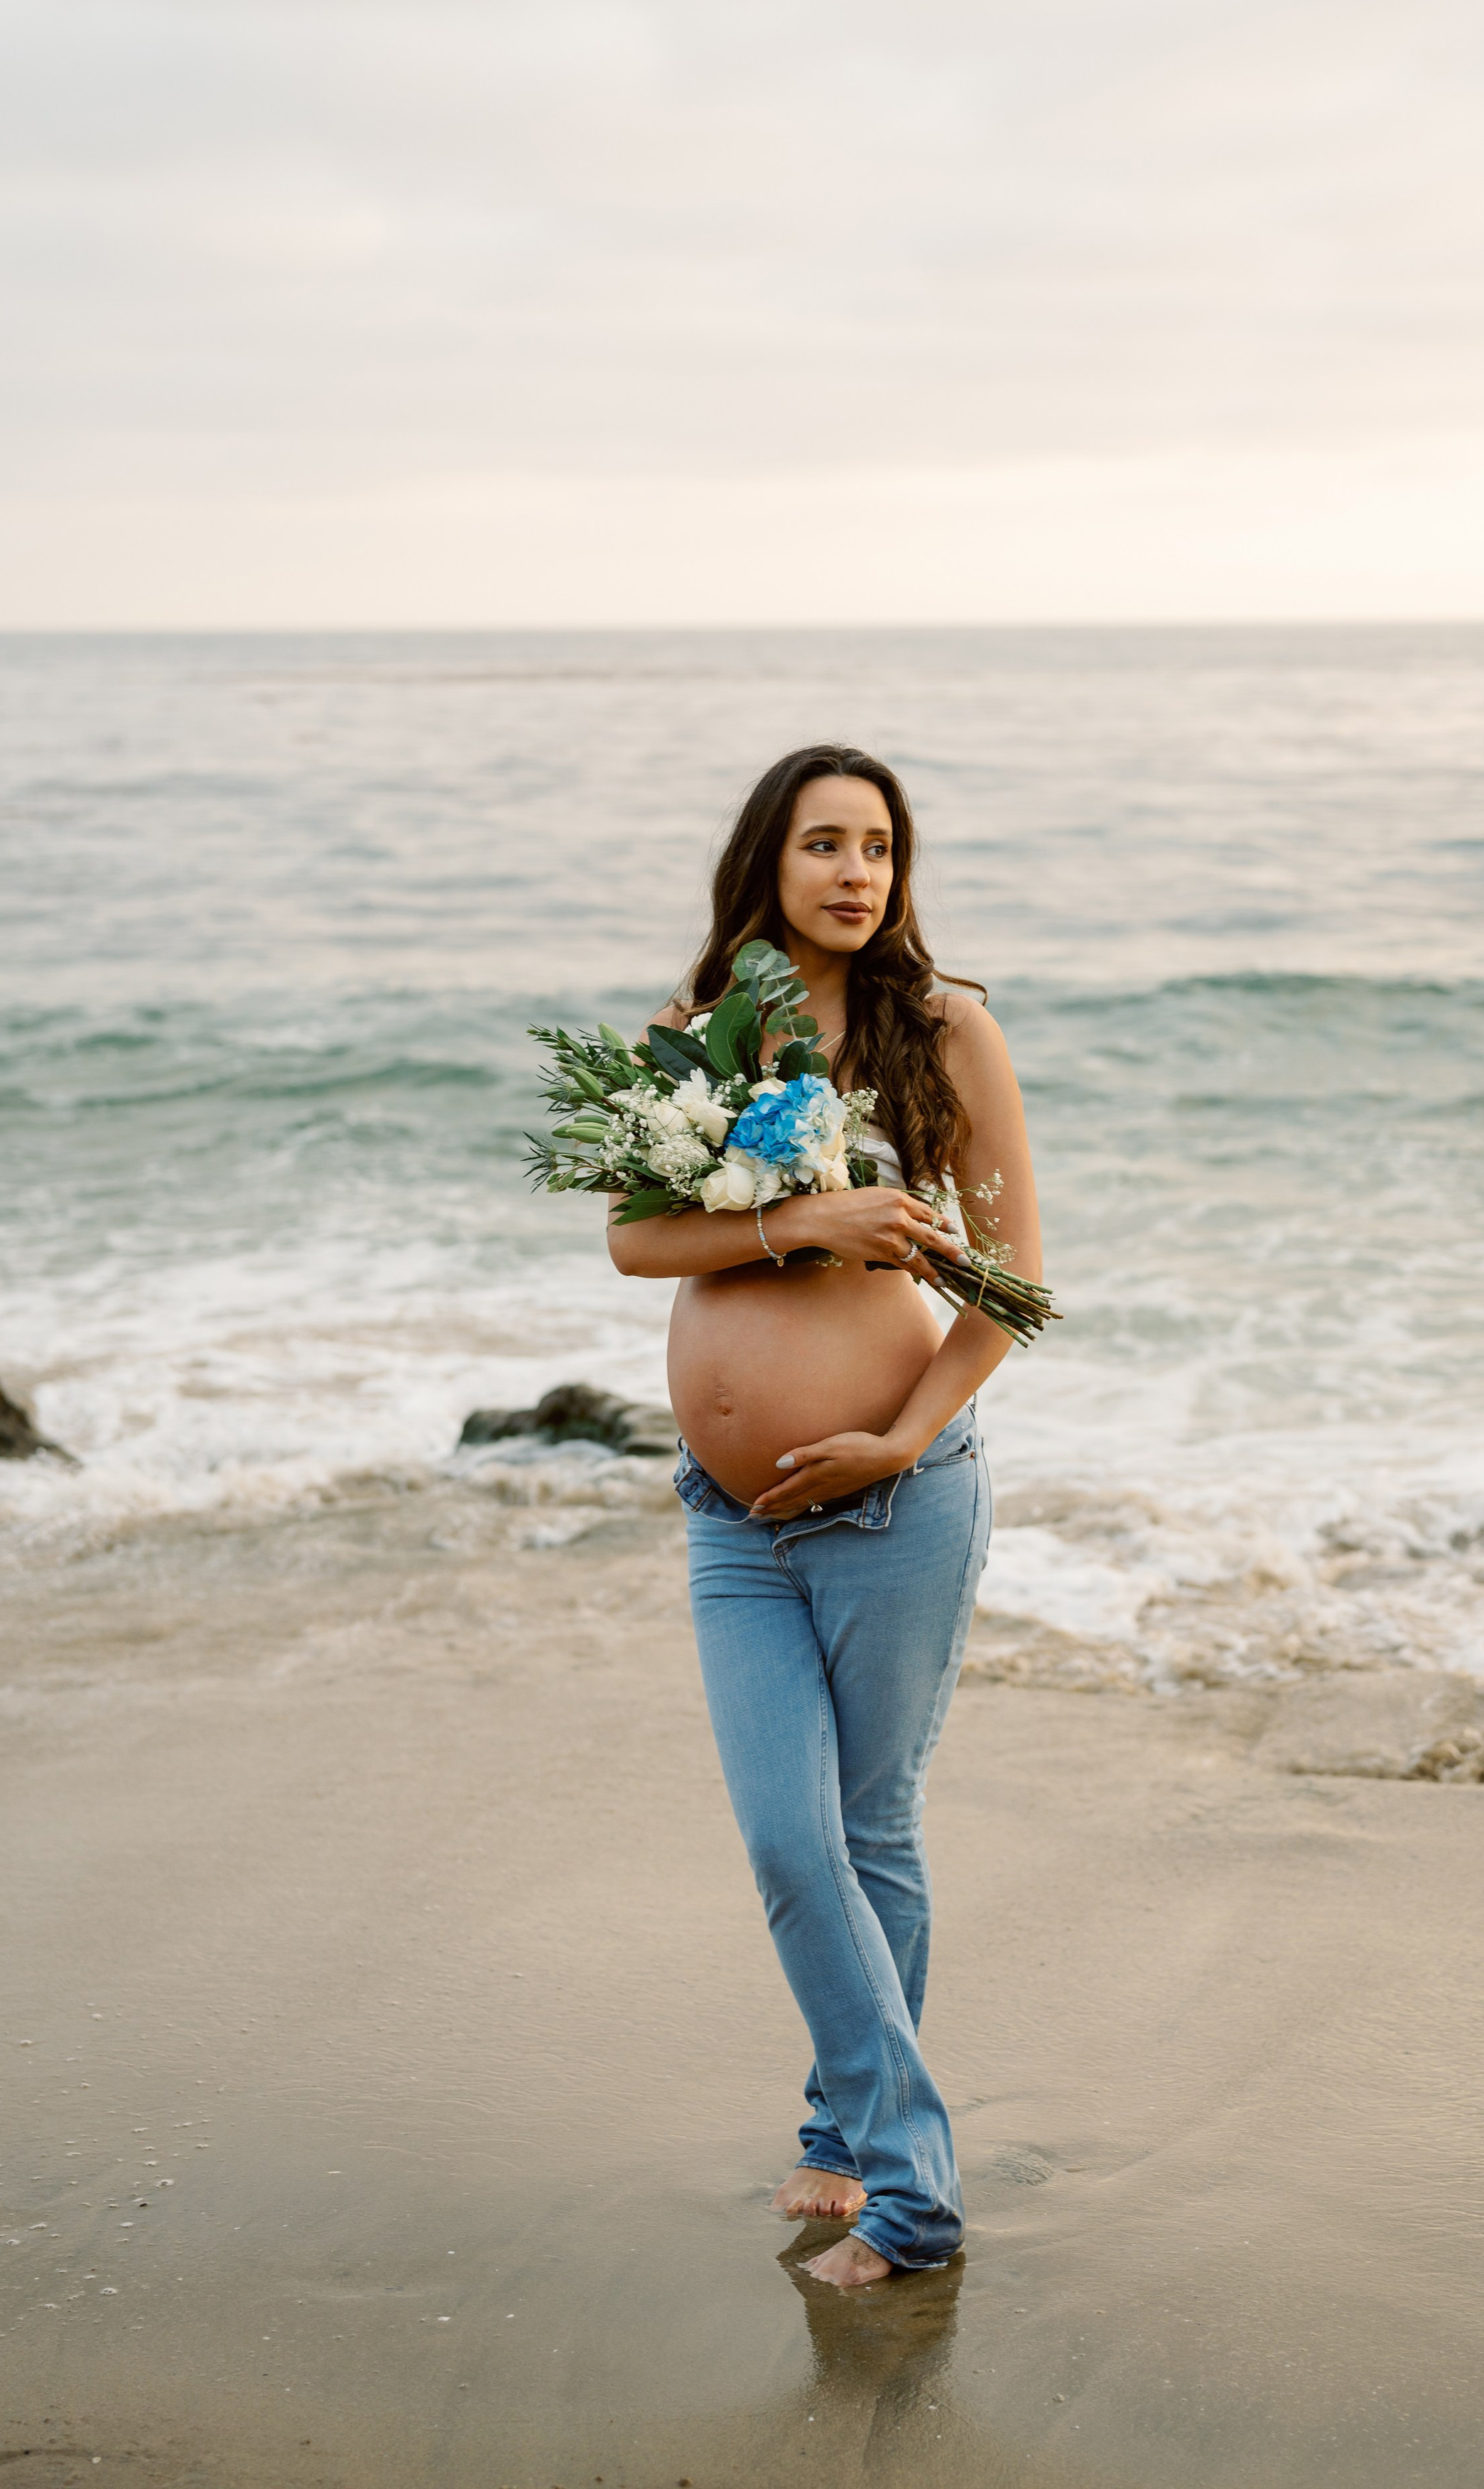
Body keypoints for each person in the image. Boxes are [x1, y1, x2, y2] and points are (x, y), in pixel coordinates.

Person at [607, 742, 1043, 2286]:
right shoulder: (697, 1031)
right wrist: (807, 1216)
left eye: (878, 847)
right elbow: (633, 1241)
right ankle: (862, 2128)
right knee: (795, 1842)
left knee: (863, 1831)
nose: (855, 873)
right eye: (824, 846)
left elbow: (1013, 1293)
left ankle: (895, 2187)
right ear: (766, 864)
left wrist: (899, 1440)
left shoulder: (947, 1031)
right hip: (729, 1523)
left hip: (892, 1505)